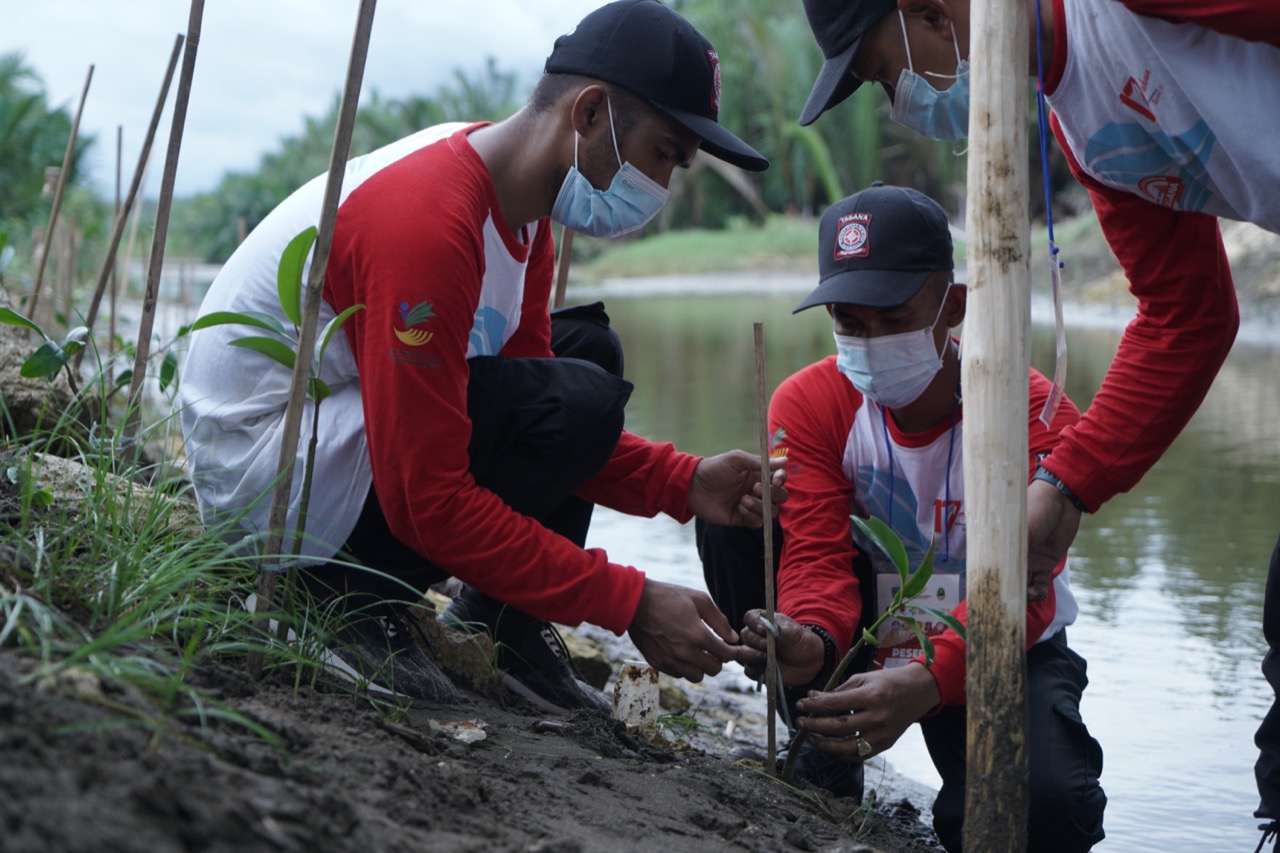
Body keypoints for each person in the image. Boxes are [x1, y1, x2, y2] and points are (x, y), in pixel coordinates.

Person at [179, 0, 785, 714]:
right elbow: (427, 499)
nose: (664, 185)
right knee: (579, 392)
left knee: (586, 354)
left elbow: (534, 409)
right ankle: (339, 594)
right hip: (271, 480)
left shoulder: (525, 213)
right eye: (663, 154)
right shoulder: (429, 222)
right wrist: (628, 600)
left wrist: (683, 483)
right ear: (590, 114)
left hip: (345, 435)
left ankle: (501, 625)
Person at [795, 0, 1280, 839]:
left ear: (927, 14)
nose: (894, 100)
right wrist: (1064, 486)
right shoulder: (1080, 126)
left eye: (882, 72)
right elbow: (1186, 314)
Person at [698, 184, 1106, 852]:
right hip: (862, 632)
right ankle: (821, 735)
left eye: (891, 318)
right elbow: (815, 555)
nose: (869, 342)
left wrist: (929, 679)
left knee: (1047, 809)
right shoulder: (808, 402)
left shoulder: (1034, 411)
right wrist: (812, 636)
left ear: (953, 306)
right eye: (848, 322)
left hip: (996, 643)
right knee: (740, 515)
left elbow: (1029, 588)